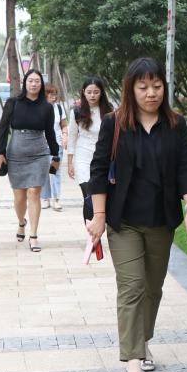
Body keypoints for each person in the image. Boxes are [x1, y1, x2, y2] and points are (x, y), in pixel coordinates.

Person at [87, 57, 187, 372]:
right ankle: (133, 364)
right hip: (123, 222)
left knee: (153, 288)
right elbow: (98, 170)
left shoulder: (175, 124)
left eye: (157, 86)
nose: (151, 93)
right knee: (132, 287)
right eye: (143, 87)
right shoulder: (114, 123)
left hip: (162, 220)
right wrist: (99, 215)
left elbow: (185, 167)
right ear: (131, 89)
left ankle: (143, 339)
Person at [0, 69, 61, 252]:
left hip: (39, 153)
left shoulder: (47, 107)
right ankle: (21, 222)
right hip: (16, 153)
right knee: (19, 196)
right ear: (25, 83)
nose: (34, 84)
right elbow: (3, 128)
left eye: (37, 81)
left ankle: (34, 235)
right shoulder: (13, 103)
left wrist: (55, 155)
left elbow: (50, 133)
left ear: (41, 84)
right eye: (30, 80)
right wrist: (0, 152)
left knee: (34, 192)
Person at [67, 77, 114, 256]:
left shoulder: (109, 111)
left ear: (101, 93)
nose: (92, 95)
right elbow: (72, 137)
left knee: (100, 197)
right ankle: (93, 239)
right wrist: (70, 162)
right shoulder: (77, 112)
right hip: (83, 157)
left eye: (96, 92)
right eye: (89, 92)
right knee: (89, 197)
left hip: (103, 159)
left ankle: (98, 230)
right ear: (83, 93)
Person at [41, 84, 70, 211]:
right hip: (41, 145)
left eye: (55, 93)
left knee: (54, 171)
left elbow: (63, 125)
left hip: (56, 144)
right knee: (43, 171)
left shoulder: (58, 108)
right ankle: (45, 198)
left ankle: (56, 199)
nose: (54, 96)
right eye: (51, 93)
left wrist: (65, 135)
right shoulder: (39, 108)